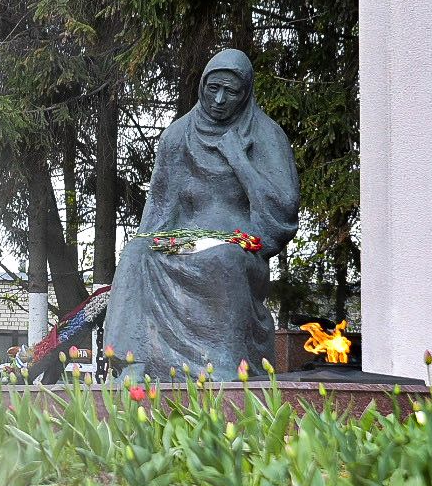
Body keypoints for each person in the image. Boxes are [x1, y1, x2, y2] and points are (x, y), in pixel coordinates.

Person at [103, 48, 299, 382]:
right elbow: (160, 209)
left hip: (239, 250)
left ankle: (223, 369)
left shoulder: (265, 135)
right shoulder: (178, 136)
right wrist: (147, 244)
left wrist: (239, 159)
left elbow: (282, 212)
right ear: (203, 86)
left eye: (231, 91)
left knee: (224, 258)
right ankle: (132, 363)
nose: (220, 99)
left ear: (246, 93)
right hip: (185, 245)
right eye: (213, 88)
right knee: (136, 253)